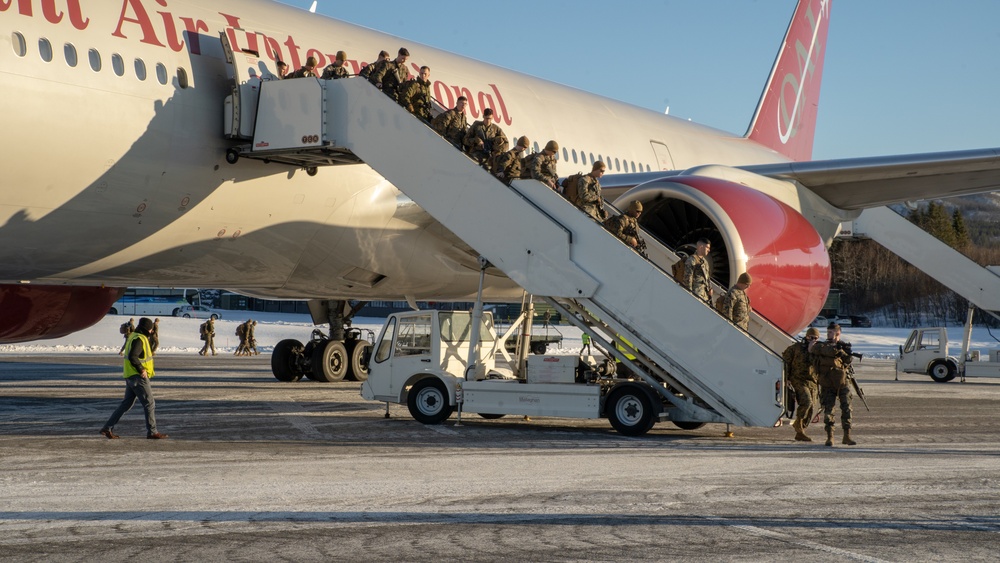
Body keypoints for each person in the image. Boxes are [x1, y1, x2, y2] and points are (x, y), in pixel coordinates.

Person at [100, 317, 168, 440]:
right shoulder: (139, 339)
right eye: (151, 328)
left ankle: (107, 427)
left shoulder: (133, 336)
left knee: (126, 404)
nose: (152, 331)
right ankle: (152, 432)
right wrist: (141, 369)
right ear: (147, 329)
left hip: (130, 375)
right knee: (149, 403)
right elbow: (133, 357)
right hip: (138, 377)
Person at [811, 322, 856, 446]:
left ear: (838, 333)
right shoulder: (822, 345)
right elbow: (815, 349)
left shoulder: (842, 347)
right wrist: (836, 350)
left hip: (842, 382)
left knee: (847, 408)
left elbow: (848, 360)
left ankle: (847, 435)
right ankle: (830, 436)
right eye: (828, 332)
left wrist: (844, 352)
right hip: (827, 382)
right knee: (828, 410)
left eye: (831, 332)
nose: (828, 334)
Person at [784, 327, 820, 441]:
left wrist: (812, 352)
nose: (812, 340)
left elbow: (819, 365)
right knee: (807, 401)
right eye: (810, 337)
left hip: (812, 382)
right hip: (798, 379)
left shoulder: (818, 351)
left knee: (812, 408)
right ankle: (798, 426)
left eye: (815, 338)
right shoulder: (795, 348)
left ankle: (801, 430)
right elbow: (785, 362)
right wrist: (786, 378)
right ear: (806, 336)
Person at [684, 238, 713, 302]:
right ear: (701, 247)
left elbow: (707, 278)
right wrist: (689, 294)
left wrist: (710, 289)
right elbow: (688, 279)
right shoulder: (692, 260)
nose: (709, 250)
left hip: (704, 296)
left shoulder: (705, 262)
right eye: (707, 247)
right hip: (696, 294)